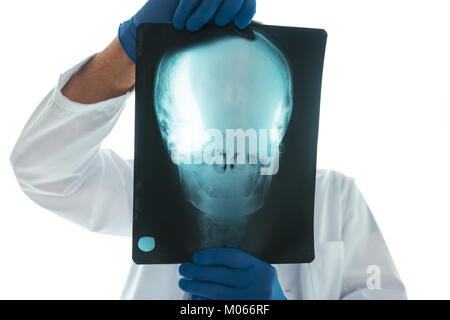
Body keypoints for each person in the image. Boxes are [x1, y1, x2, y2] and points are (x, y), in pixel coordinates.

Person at [10, 0, 407, 300]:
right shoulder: (144, 195)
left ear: (283, 123)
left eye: (251, 115)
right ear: (166, 128)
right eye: (208, 110)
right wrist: (125, 54)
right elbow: (42, 168)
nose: (230, 147)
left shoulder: (336, 201)